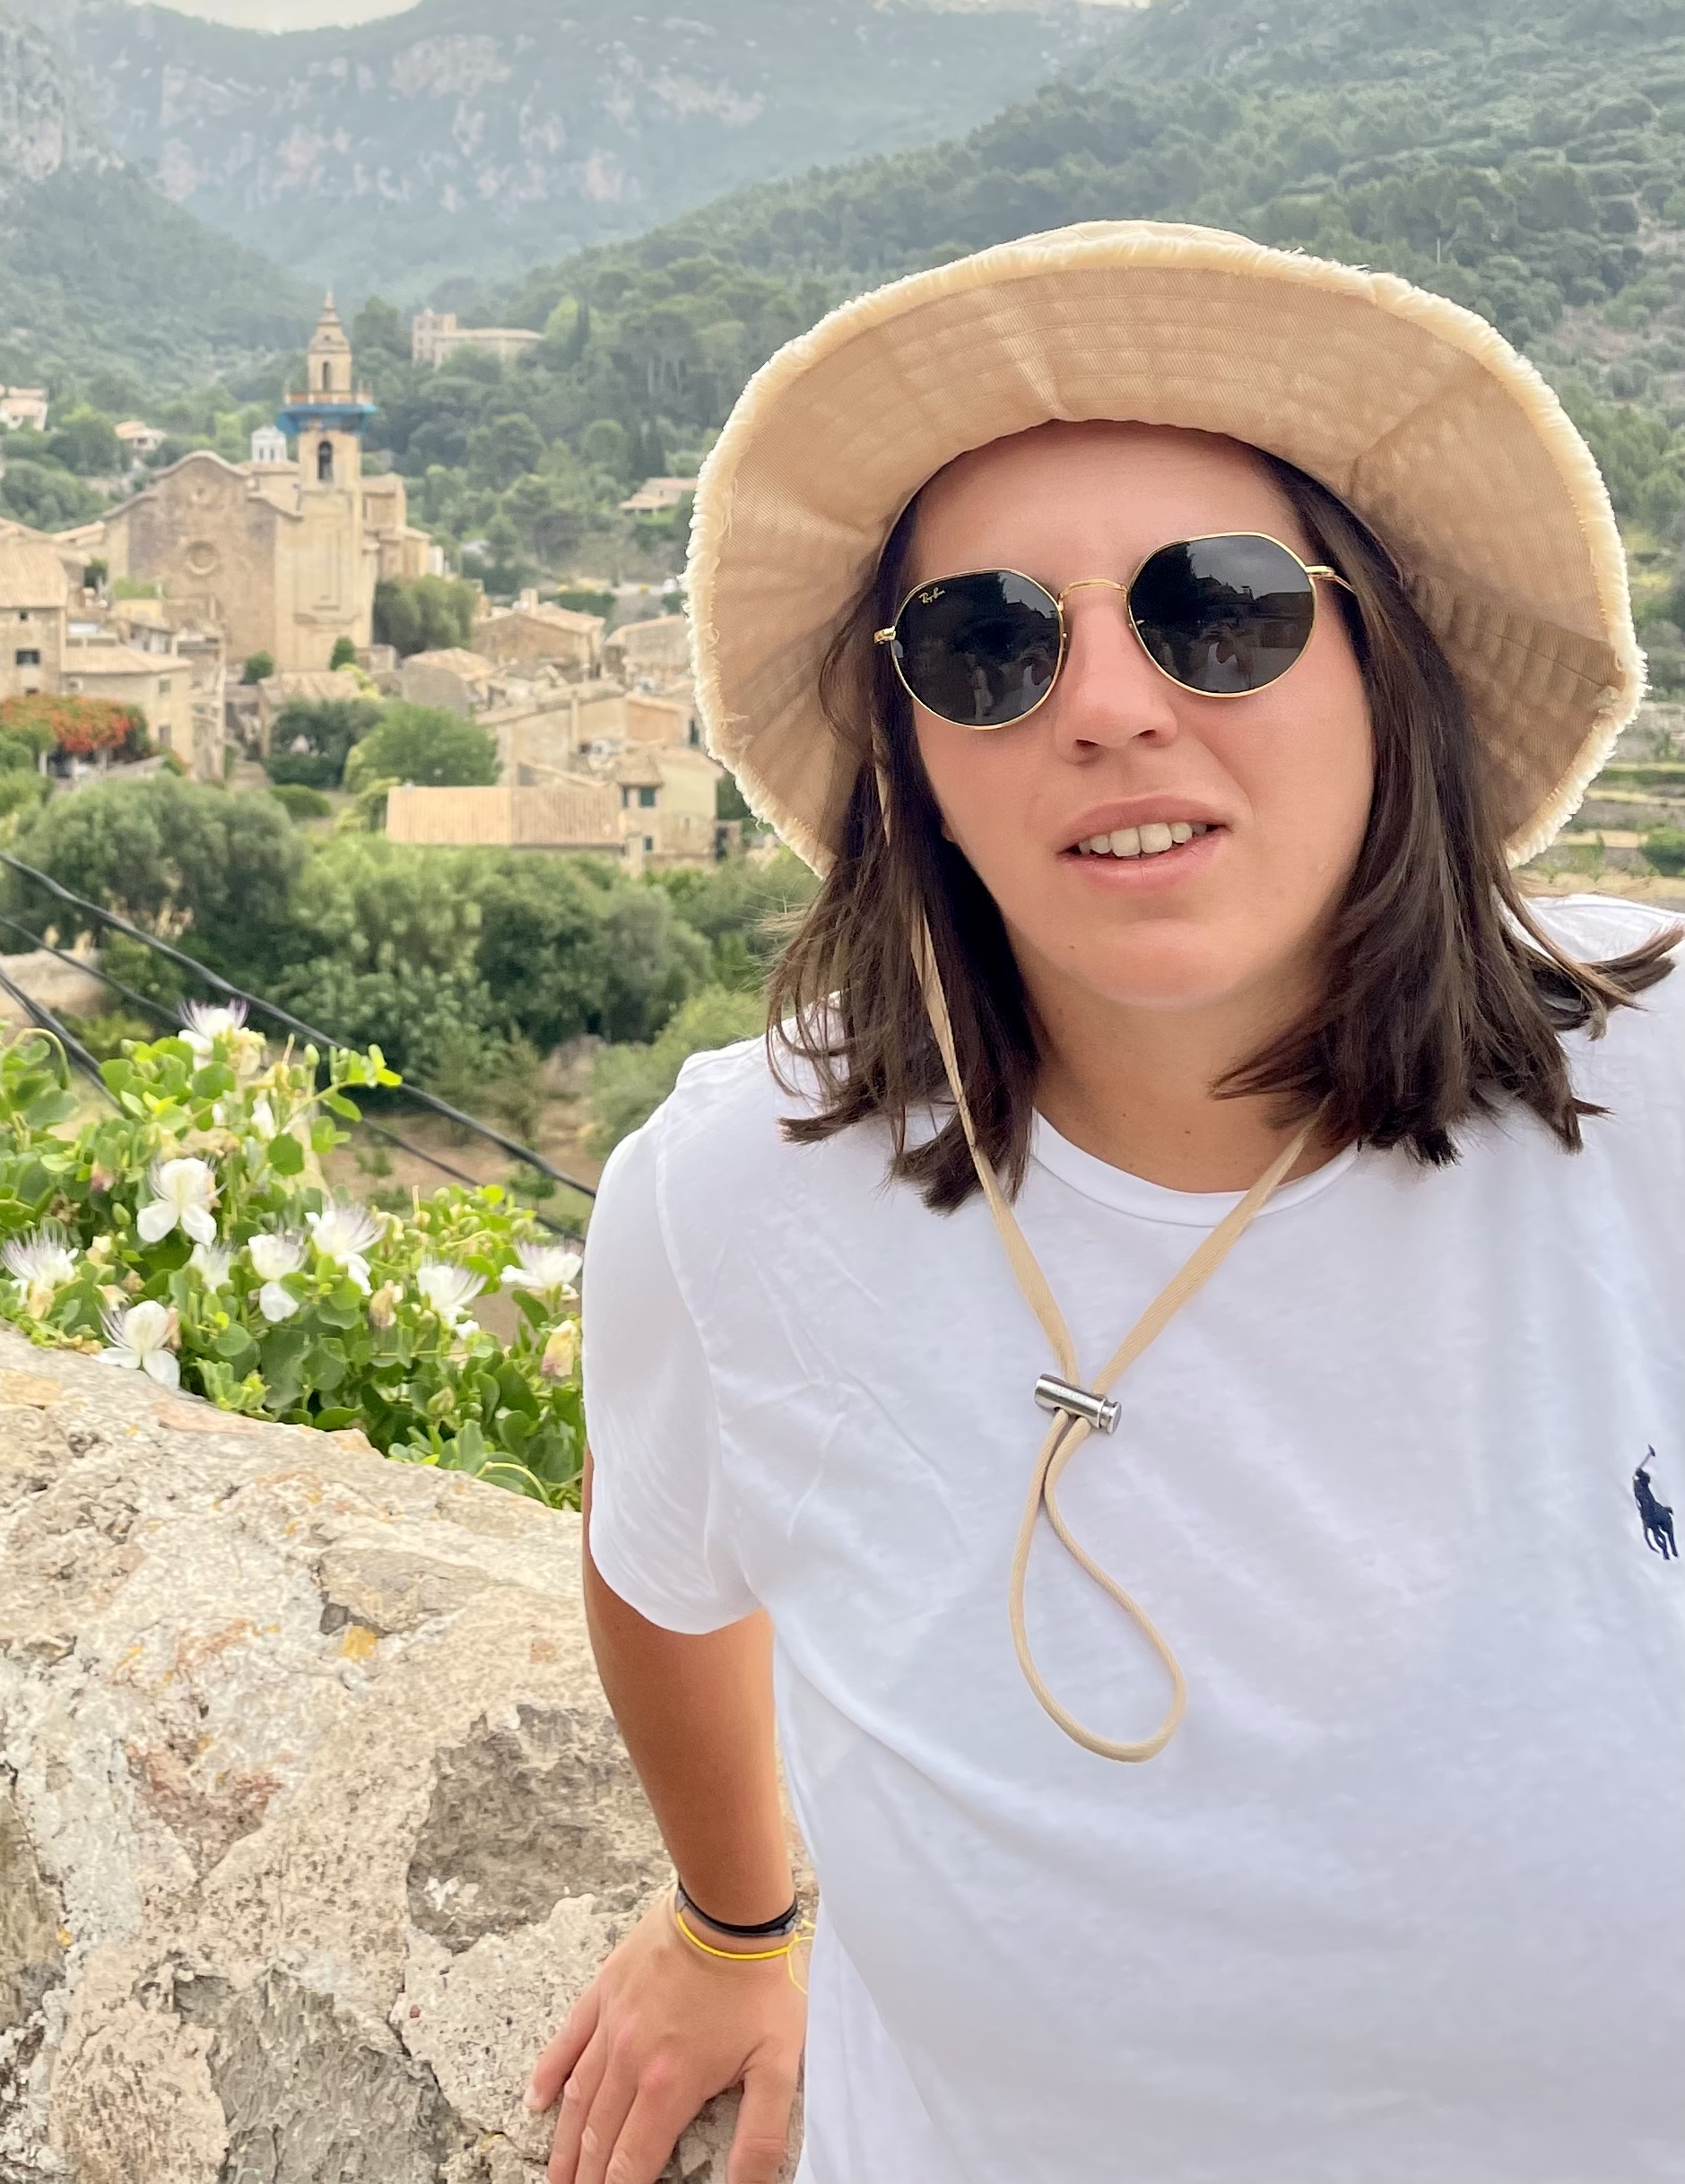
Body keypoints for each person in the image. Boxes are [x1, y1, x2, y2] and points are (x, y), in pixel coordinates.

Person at [528, 221, 1685, 2184]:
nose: (1111, 707)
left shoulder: (1650, 1094)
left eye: (1219, 612)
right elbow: (655, 1556)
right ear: (912, 751)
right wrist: (732, 1917)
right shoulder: (739, 1197)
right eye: (991, 643)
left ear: (1384, 668)